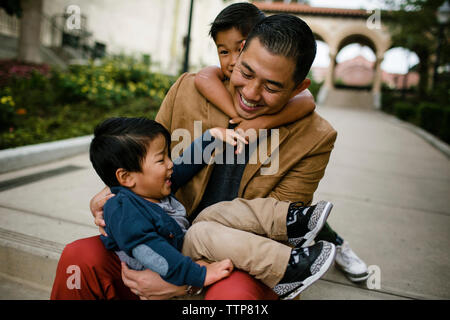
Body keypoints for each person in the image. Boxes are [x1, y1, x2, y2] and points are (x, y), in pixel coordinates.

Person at [50, 13, 336, 300]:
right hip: (162, 239)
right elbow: (144, 157)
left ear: (299, 88)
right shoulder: (188, 90)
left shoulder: (315, 136)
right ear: (239, 53)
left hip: (238, 257)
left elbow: (274, 230)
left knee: (233, 299)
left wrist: (189, 280)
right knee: (79, 258)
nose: (250, 93)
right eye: (246, 73)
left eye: (272, 87)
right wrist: (110, 193)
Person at [196, 2, 369, 283]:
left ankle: (336, 245)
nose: (229, 60)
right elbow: (203, 78)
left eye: (238, 48)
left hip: (253, 229)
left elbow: (306, 101)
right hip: (209, 232)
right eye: (222, 51)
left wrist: (258, 122)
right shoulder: (209, 81)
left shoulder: (306, 118)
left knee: (305, 220)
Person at [88, 116, 336, 300]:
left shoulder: (147, 188)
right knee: (201, 232)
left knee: (214, 212)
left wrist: (212, 138)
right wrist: (199, 276)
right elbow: (152, 255)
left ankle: (291, 223)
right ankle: (286, 271)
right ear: (127, 177)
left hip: (177, 247)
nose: (171, 164)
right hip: (168, 267)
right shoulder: (122, 209)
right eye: (161, 159)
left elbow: (186, 165)